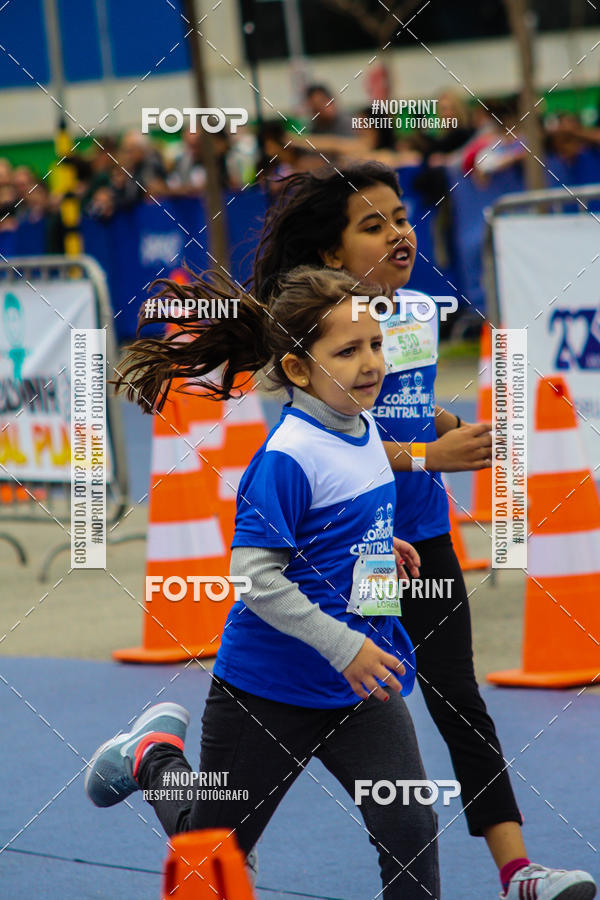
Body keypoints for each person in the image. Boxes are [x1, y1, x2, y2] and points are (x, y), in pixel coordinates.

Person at [251, 162, 597, 900]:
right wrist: (427, 456)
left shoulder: (414, 312)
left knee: (456, 697)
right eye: (372, 225)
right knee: (332, 705)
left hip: (424, 538)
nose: (398, 233)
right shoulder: (322, 336)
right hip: (356, 547)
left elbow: (405, 403)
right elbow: (334, 443)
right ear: (334, 253)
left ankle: (518, 871)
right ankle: (215, 825)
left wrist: (446, 426)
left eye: (402, 218)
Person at [86, 266, 441, 899]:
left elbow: (332, 523)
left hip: (361, 687)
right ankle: (154, 758)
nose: (371, 363)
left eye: (375, 344)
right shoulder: (287, 456)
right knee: (212, 857)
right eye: (348, 351)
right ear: (299, 369)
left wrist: (375, 544)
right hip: (268, 690)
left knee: (411, 830)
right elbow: (254, 577)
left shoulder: (362, 427)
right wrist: (346, 647)